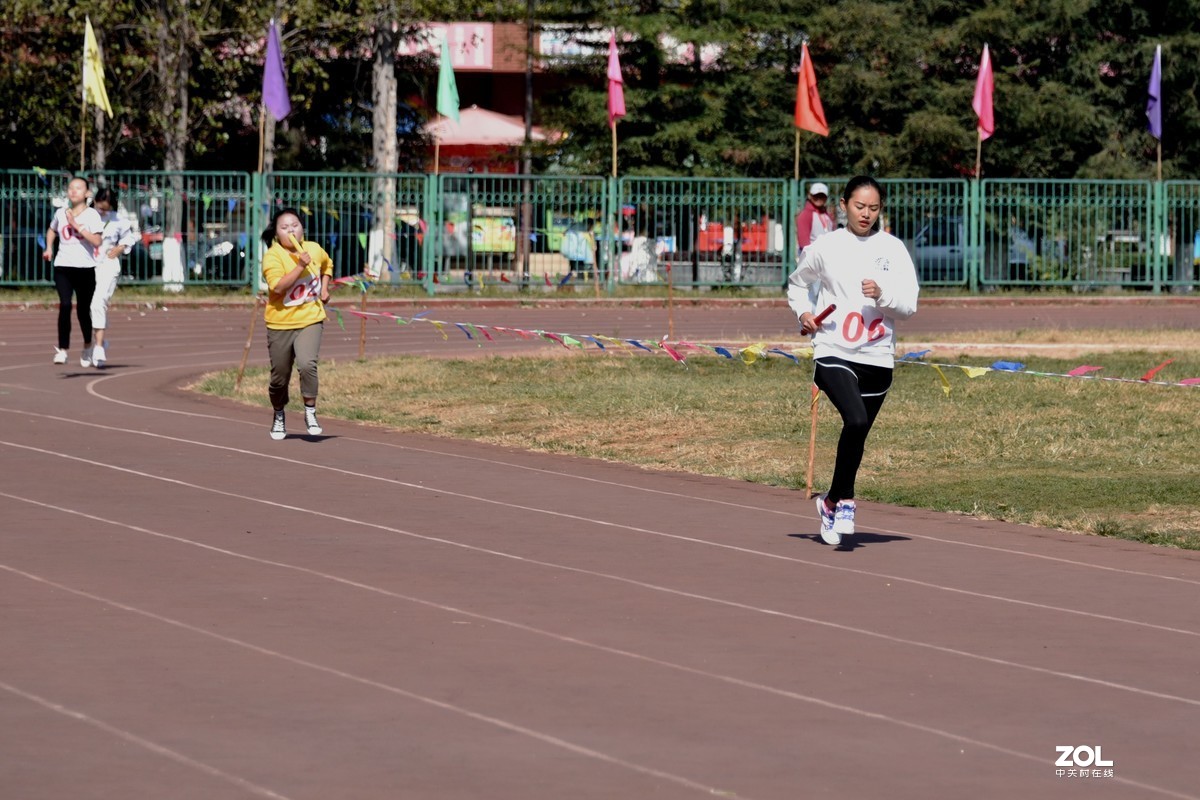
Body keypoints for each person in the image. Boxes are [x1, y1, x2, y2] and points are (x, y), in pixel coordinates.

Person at [787, 176, 920, 545]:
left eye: (874, 208)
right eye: (860, 206)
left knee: (857, 433)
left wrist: (883, 295)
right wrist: (804, 315)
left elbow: (908, 306)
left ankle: (830, 500)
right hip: (833, 350)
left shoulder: (893, 249)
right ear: (843, 204)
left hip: (877, 356)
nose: (866, 214)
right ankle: (846, 501)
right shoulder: (825, 247)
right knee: (856, 418)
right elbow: (797, 284)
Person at [260, 207, 333, 440]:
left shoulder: (314, 248)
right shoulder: (273, 256)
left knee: (307, 364)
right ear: (276, 233)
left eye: (295, 225)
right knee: (279, 376)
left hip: (310, 318)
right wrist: (300, 266)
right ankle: (279, 412)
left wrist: (324, 288)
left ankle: (310, 411)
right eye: (284, 227)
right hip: (280, 323)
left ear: (302, 228)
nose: (291, 230)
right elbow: (278, 287)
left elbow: (327, 265)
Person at [43, 176, 103, 366]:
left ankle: (87, 345)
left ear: (87, 193)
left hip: (85, 269)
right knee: (66, 305)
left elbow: (97, 241)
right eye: (70, 188)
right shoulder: (61, 213)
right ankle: (62, 349)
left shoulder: (92, 215)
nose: (73, 191)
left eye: (78, 188)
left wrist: (76, 225)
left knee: (83, 311)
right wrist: (49, 247)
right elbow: (52, 230)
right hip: (63, 267)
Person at [90, 187, 138, 368]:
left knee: (98, 302)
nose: (102, 211)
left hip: (108, 266)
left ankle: (99, 347)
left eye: (106, 208)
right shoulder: (87, 217)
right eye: (99, 207)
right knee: (90, 307)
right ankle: (98, 338)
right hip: (88, 265)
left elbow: (130, 238)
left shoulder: (119, 220)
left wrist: (120, 248)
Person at [795, 182, 836, 254]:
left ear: (826, 197)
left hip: (827, 256)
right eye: (816, 195)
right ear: (810, 196)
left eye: (822, 196)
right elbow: (804, 242)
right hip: (812, 258)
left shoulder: (827, 214)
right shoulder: (806, 214)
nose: (819, 198)